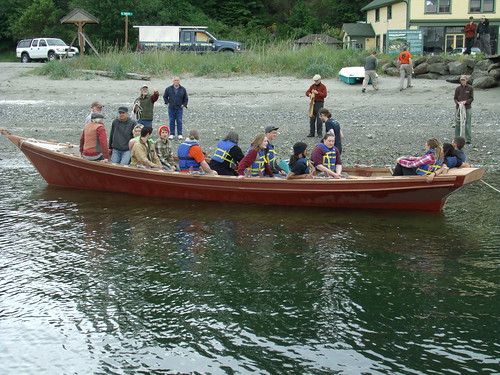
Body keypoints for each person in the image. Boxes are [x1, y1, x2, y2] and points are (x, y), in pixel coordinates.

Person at [454, 75, 474, 144]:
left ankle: (468, 139)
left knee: (467, 123)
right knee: (457, 123)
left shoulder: (470, 88)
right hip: (459, 108)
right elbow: (455, 98)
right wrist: (458, 103)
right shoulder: (458, 88)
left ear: (466, 80)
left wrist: (466, 102)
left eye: (463, 80)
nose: (462, 81)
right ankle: (456, 138)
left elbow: (471, 98)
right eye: (461, 80)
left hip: (467, 107)